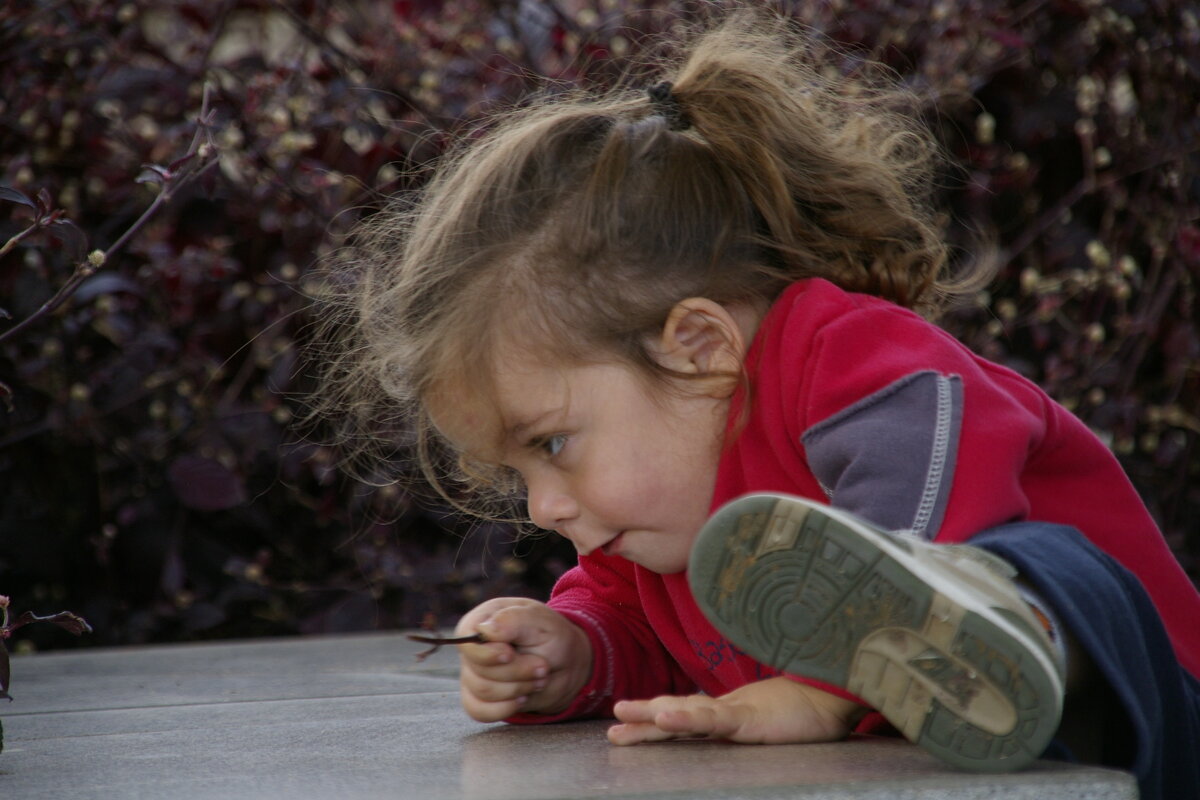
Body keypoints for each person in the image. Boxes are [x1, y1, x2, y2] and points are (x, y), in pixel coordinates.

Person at [313, 11, 1200, 799]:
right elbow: (631, 628)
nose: (545, 505)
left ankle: (994, 643)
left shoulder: (837, 352)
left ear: (699, 346)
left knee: (1037, 563)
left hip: (1151, 716)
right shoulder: (656, 537)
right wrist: (566, 655)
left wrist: (823, 689)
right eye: (520, 472)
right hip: (966, 764)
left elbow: (937, 446)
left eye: (552, 443)